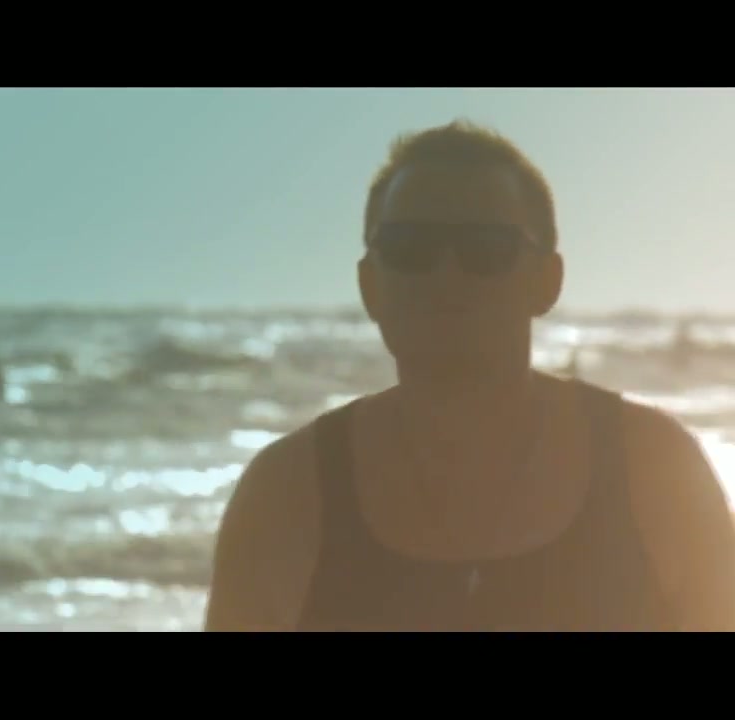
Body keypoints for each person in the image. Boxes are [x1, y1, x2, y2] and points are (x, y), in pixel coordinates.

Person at [204, 119, 735, 631]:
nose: (446, 275)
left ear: (547, 280)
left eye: (486, 249)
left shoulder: (653, 470)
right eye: (410, 249)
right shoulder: (289, 496)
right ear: (369, 285)